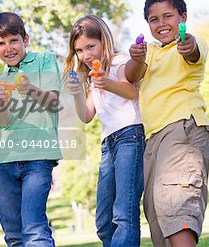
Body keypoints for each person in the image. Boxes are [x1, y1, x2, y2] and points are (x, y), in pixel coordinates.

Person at [125, 0, 209, 247]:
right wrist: (136, 57)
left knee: (177, 203)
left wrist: (188, 44)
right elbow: (132, 76)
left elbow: (193, 51)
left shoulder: (189, 43)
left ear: (183, 17)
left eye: (168, 16)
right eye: (154, 19)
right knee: (155, 212)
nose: (162, 24)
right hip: (153, 138)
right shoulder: (150, 51)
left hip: (182, 126)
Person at [65, 14, 145, 247]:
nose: (86, 55)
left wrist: (104, 82)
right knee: (103, 220)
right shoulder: (92, 76)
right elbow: (86, 115)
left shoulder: (120, 61)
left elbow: (131, 92)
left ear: (104, 41)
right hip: (108, 144)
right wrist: (77, 92)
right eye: (79, 50)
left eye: (91, 46)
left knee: (123, 213)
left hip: (130, 136)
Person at [0, 12, 61, 246]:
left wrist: (29, 89)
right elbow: (4, 122)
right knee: (13, 235)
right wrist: (0, 103)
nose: (8, 48)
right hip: (4, 162)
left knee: (34, 228)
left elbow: (52, 102)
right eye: (1, 43)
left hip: (38, 157)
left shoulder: (44, 61)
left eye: (13, 40)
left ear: (25, 39)